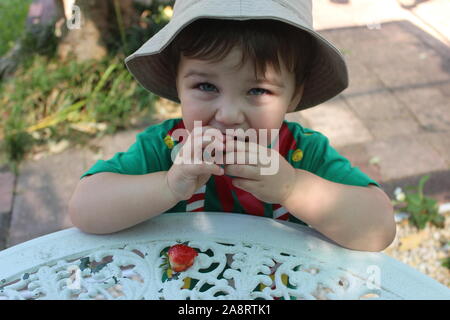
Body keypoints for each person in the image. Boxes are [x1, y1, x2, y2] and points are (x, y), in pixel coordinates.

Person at [68, 0, 396, 252]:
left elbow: (378, 229)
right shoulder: (167, 147)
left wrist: (293, 187)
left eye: (258, 91)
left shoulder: (301, 153)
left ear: (294, 96)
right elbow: (85, 210)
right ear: (177, 83)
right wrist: (168, 186)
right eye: (206, 87)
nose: (227, 115)